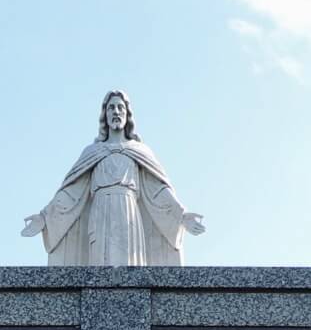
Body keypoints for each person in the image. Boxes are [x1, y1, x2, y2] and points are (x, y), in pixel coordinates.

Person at [22, 91, 204, 265]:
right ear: (105, 115)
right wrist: (45, 217)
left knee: (131, 269)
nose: (116, 112)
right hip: (100, 212)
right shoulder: (92, 152)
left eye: (120, 108)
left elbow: (158, 192)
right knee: (99, 268)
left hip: (129, 212)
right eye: (111, 108)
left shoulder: (139, 152)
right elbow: (71, 194)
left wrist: (182, 215)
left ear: (127, 115)